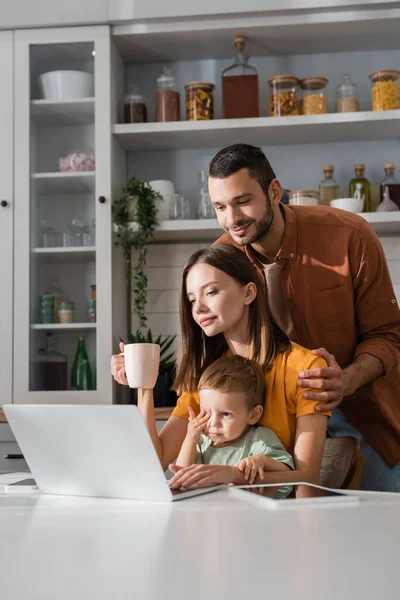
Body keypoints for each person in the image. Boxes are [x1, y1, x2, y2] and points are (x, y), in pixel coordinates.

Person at [208, 143, 400, 492]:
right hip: (272, 418)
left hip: (362, 409)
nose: (232, 219)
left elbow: (389, 334)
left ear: (274, 191)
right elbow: (209, 339)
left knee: (379, 529)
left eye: (243, 201)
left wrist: (348, 378)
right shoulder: (223, 257)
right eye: (220, 206)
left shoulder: (350, 235)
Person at [111, 245, 329, 490]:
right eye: (192, 299)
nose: (198, 308)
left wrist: (231, 475)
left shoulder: (306, 367)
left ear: (248, 293)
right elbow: (156, 461)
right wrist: (144, 385)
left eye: (211, 292)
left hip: (278, 519)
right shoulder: (206, 377)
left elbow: (307, 478)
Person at [172, 355, 293, 493]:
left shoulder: (259, 439)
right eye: (206, 412)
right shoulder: (201, 441)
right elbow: (181, 476)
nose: (213, 423)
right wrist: (190, 439)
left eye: (225, 414)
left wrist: (262, 461)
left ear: (253, 415)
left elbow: (288, 475)